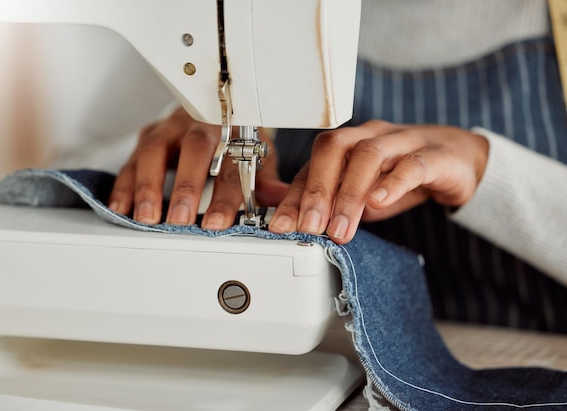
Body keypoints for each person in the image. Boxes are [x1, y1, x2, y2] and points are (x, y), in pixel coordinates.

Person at [109, 0, 567, 332]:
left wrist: (487, 170)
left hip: (531, 350)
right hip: (322, 351)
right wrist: (203, 111)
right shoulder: (221, 21)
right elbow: (70, 162)